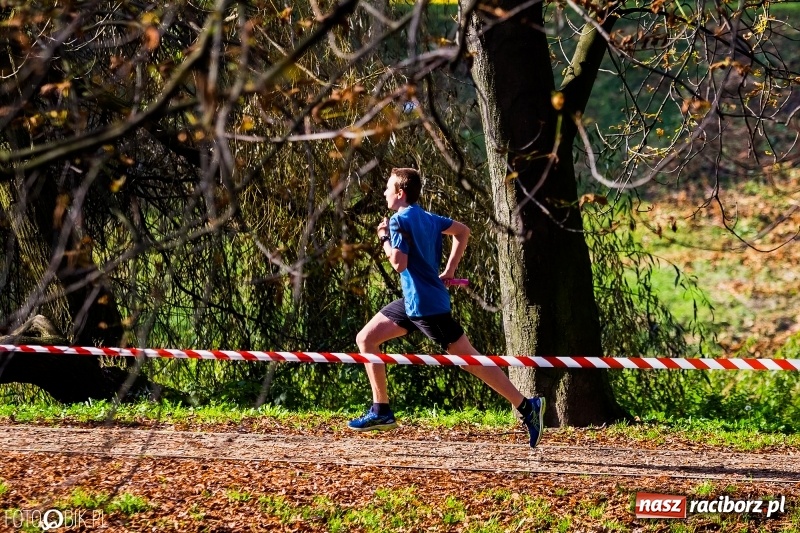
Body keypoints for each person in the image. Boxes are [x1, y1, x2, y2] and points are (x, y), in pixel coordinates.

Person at [347, 167, 545, 448]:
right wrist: (450, 270)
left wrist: (384, 238)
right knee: (366, 338)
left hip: (427, 307)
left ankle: (527, 406)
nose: (384, 192)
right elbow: (463, 232)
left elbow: (398, 263)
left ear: (400, 194)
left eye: (388, 188)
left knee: (471, 361)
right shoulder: (428, 217)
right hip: (413, 302)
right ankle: (381, 411)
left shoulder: (397, 221)